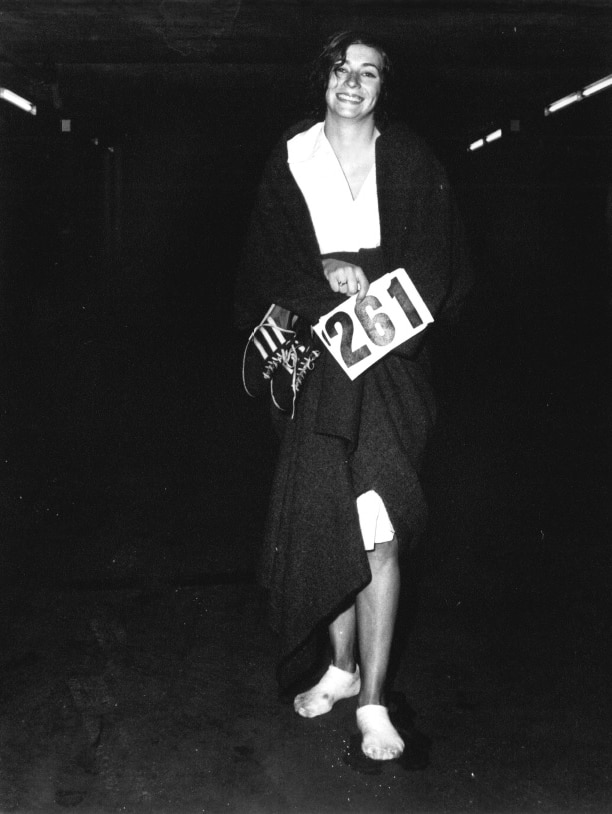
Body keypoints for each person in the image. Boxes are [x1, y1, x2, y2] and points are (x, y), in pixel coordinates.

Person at [234, 31, 472, 761]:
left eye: (369, 73)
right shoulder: (292, 158)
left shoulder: (409, 158)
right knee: (329, 516)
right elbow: (267, 258)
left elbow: (440, 262)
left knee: (382, 526)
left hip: (392, 366)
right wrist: (323, 273)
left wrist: (369, 277)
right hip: (318, 364)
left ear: (382, 90)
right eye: (342, 68)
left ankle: (373, 701)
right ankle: (339, 670)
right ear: (323, 78)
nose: (353, 81)